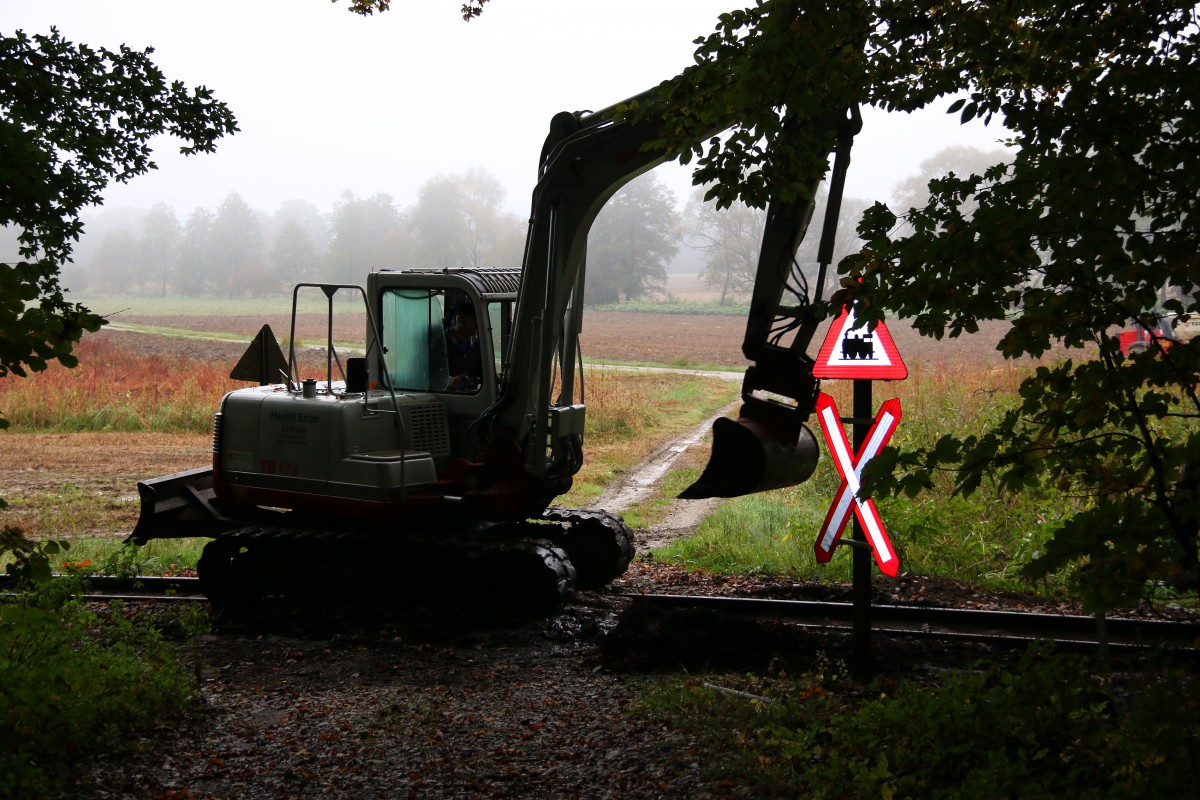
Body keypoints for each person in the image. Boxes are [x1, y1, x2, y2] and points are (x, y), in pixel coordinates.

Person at [444, 301, 482, 392]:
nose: (477, 325)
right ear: (460, 319)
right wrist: (449, 381)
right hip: (448, 396)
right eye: (474, 320)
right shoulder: (441, 340)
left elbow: (481, 371)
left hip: (472, 396)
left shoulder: (476, 344)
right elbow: (431, 373)